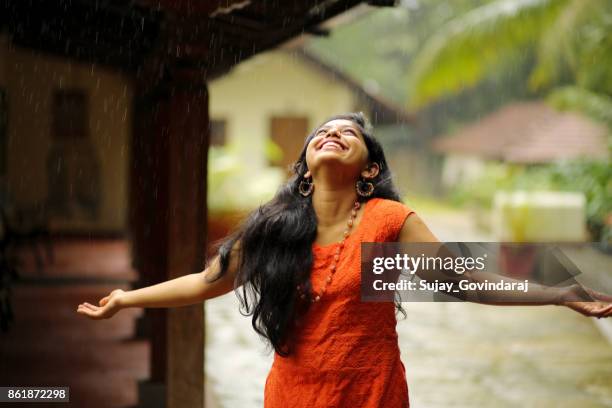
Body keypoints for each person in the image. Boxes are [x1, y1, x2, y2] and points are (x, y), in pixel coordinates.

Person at [77, 112, 612, 407]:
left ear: (369, 169)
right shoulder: (275, 223)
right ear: (306, 165)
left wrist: (559, 292)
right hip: (294, 394)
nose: (333, 135)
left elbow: (466, 280)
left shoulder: (386, 223)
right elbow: (208, 281)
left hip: (371, 393)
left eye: (348, 134)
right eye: (322, 133)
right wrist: (126, 298)